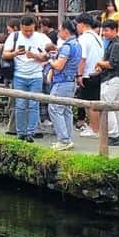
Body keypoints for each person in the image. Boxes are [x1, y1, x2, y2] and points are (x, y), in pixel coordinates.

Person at [1, 14, 49, 143]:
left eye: (31, 30)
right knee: (20, 104)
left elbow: (48, 56)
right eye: (25, 30)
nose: (28, 33)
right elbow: (5, 54)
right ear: (20, 27)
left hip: (36, 75)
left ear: (35, 27)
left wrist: (35, 56)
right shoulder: (14, 36)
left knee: (34, 105)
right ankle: (20, 132)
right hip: (19, 75)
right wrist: (15, 53)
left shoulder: (41, 38)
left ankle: (31, 132)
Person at [47, 19, 82, 150]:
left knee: (54, 108)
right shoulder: (77, 44)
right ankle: (67, 138)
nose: (58, 32)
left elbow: (59, 65)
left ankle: (64, 139)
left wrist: (50, 60)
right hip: (71, 80)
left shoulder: (67, 46)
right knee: (66, 110)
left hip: (62, 81)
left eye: (60, 30)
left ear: (66, 31)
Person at [95, 18, 119, 147]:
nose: (104, 33)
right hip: (114, 78)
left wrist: (99, 63)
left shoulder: (117, 44)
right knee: (116, 107)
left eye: (107, 30)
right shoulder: (115, 43)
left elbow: (111, 64)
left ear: (115, 30)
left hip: (113, 77)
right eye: (104, 30)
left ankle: (114, 134)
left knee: (107, 105)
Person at [75, 14, 104, 138]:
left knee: (91, 104)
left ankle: (95, 129)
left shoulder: (83, 38)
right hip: (97, 72)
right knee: (93, 102)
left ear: (81, 24)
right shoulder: (97, 37)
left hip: (88, 73)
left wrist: (79, 74)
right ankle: (94, 127)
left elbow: (82, 58)